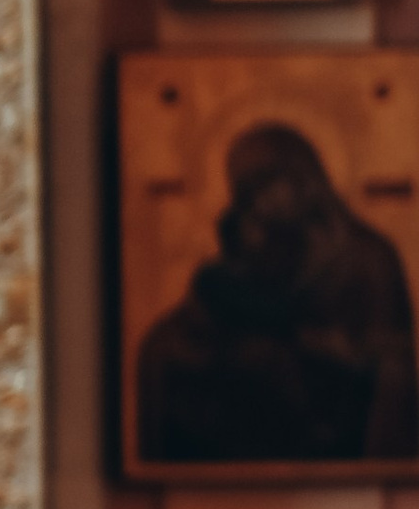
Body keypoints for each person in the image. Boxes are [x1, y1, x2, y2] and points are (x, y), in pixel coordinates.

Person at [136, 118, 419, 465]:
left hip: (331, 396)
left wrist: (327, 346)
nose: (258, 201)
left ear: (303, 180)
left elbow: (390, 358)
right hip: (272, 364)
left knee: (261, 365)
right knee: (161, 348)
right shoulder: (265, 239)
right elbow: (231, 294)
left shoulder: (368, 256)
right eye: (246, 191)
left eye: (266, 184)